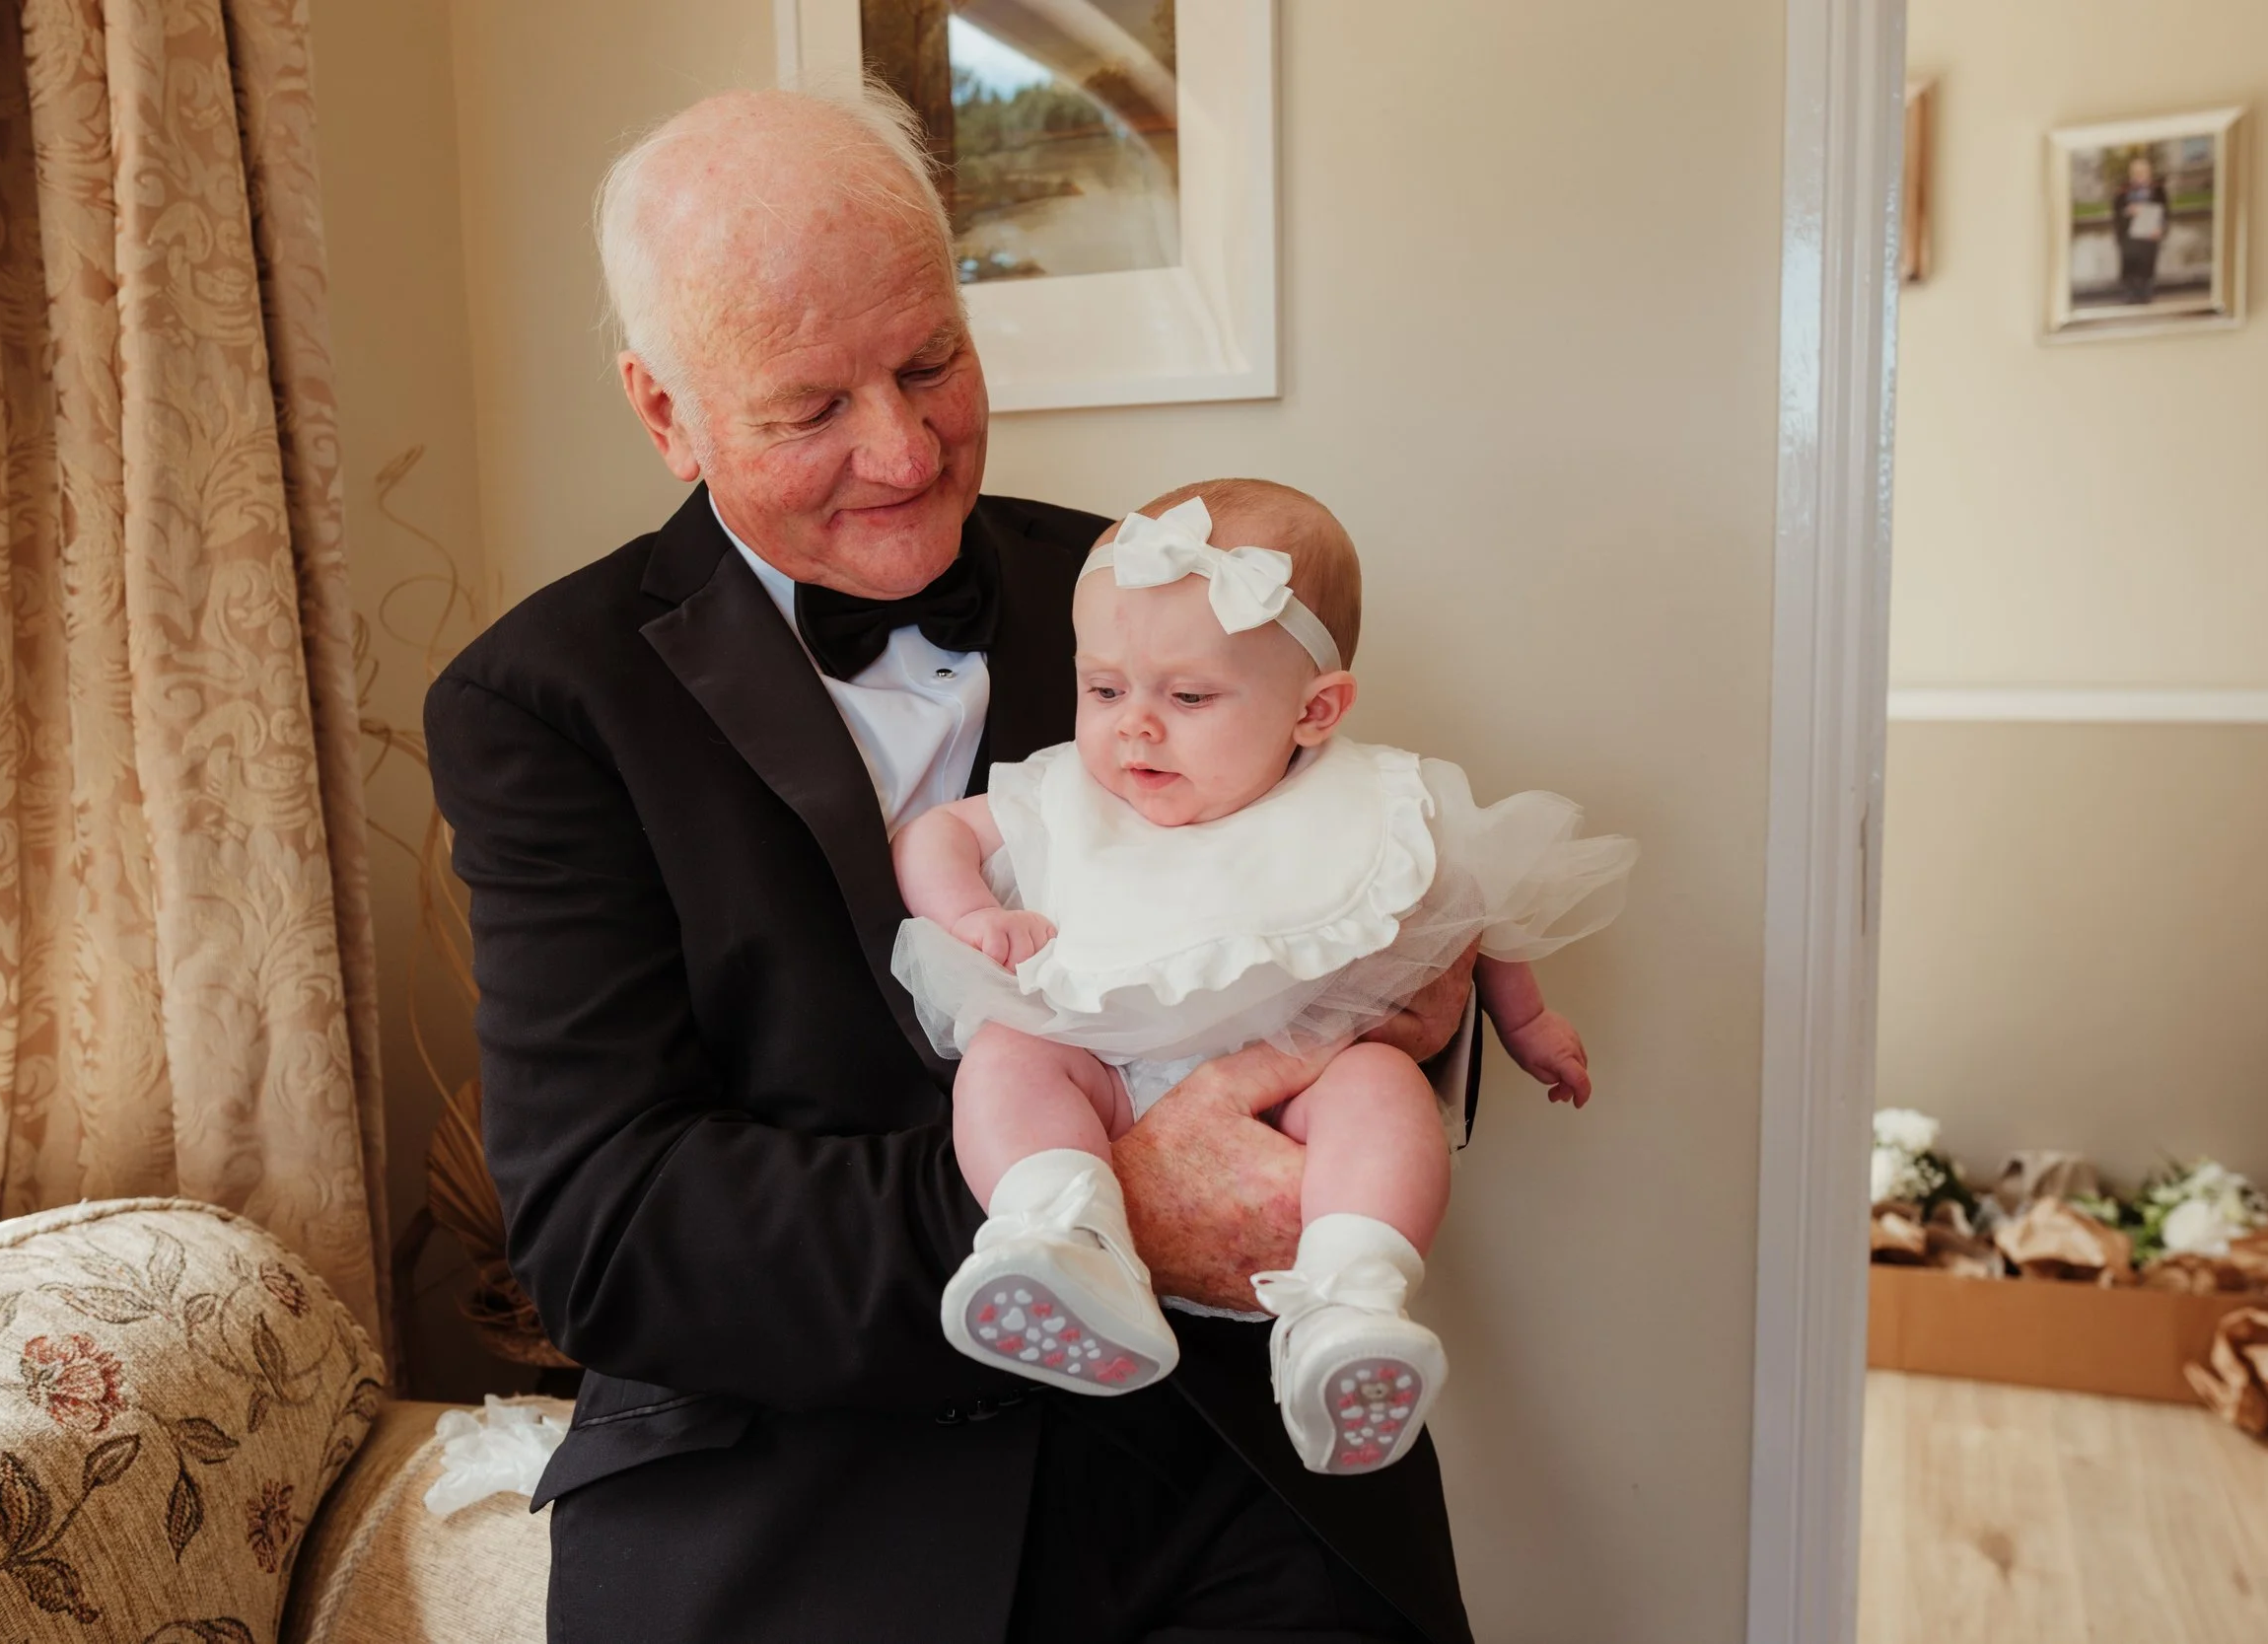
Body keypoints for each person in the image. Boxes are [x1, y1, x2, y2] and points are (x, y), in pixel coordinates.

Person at [425, 85, 1488, 1643]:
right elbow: (612, 1232)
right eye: (811, 409)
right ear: (667, 413)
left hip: (1237, 1457)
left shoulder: (1162, 593)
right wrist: (1115, 1195)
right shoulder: (542, 701)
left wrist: (1419, 993)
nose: (907, 449)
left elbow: (1353, 895)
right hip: (800, 1500)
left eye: (932, 361)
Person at [893, 481, 1633, 1476]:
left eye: (1187, 696)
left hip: (1295, 1094)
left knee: (1377, 1087)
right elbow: (933, 832)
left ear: (1314, 708)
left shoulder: (1373, 797)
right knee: (1010, 1052)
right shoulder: (1062, 789)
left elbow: (1478, 902)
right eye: (1104, 688)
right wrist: (970, 912)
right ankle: (1057, 1235)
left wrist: (1528, 1020)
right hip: (1102, 1073)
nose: (1133, 728)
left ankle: (1348, 1302)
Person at [2112, 153, 2168, 305]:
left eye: (2143, 172)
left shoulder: (2157, 190)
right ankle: (2129, 294)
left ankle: (2145, 294)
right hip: (2129, 235)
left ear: (2149, 172)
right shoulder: (2123, 191)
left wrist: (2161, 228)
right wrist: (2128, 211)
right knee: (2130, 264)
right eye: (2136, 172)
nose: (2140, 175)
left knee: (2147, 263)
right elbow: (2116, 212)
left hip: (2150, 234)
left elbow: (2165, 212)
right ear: (2131, 174)